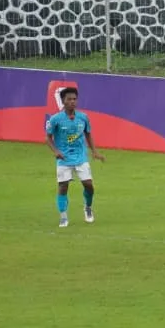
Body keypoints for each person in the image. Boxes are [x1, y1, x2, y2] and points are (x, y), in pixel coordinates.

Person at [44, 86, 105, 228]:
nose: (72, 101)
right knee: (63, 186)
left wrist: (94, 151)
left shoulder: (83, 117)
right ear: (63, 102)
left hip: (81, 157)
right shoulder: (55, 119)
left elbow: (88, 133)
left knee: (89, 185)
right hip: (64, 159)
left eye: (74, 99)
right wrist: (55, 151)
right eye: (69, 99)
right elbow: (48, 138)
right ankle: (63, 216)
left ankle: (88, 208)